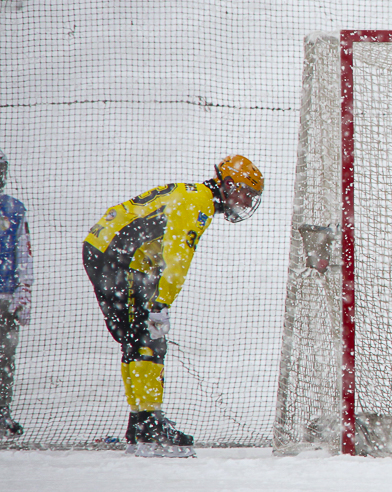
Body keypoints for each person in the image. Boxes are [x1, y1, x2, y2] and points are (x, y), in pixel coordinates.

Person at [82, 156, 264, 456]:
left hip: (118, 256)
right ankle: (147, 426)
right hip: (116, 258)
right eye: (245, 193)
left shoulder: (196, 196)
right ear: (229, 184)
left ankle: (143, 422)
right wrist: (160, 304)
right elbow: (177, 260)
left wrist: (155, 300)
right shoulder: (198, 204)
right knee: (144, 340)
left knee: (141, 339)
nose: (246, 202)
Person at [0, 151, 32, 438]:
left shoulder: (13, 209)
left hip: (5, 298)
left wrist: (23, 294)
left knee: (5, 358)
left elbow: (24, 254)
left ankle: (2, 415)